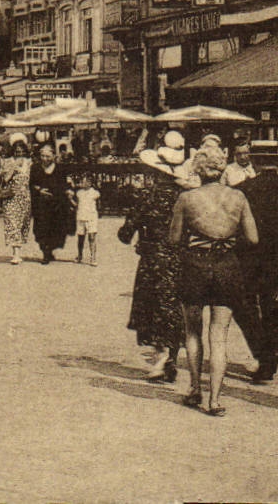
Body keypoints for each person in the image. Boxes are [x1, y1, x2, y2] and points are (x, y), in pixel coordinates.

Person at [167, 151, 258, 416]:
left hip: (194, 265)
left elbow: (173, 239)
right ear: (222, 169)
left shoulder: (186, 198)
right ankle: (215, 399)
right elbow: (253, 238)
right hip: (227, 266)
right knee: (219, 336)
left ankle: (195, 389)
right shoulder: (238, 197)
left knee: (193, 331)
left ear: (198, 169)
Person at [233, 146, 278, 383]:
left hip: (249, 257)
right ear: (277, 160)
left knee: (246, 307)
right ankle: (273, 353)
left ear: (253, 161)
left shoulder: (243, 190)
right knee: (276, 309)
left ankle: (263, 354)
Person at [122, 149, 189, 382]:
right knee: (175, 306)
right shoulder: (186, 195)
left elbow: (125, 233)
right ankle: (172, 354)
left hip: (152, 259)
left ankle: (160, 358)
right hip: (180, 259)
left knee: (153, 307)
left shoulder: (146, 196)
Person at [29, 145, 74, 264]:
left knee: (56, 229)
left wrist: (69, 190)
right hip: (41, 204)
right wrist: (39, 190)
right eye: (42, 156)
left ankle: (50, 249)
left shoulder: (60, 169)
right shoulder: (35, 168)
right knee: (41, 228)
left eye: (48, 156)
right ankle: (45, 252)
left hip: (57, 203)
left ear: (54, 156)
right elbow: (31, 184)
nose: (45, 159)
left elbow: (66, 183)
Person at [0, 135, 33, 265]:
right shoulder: (7, 162)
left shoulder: (30, 163)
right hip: (11, 196)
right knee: (12, 222)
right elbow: (4, 179)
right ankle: (16, 254)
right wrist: (13, 167)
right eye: (17, 152)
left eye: (22, 152)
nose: (20, 155)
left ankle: (18, 251)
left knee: (22, 224)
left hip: (25, 197)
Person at [73, 175, 101, 266]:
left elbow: (99, 205)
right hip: (81, 217)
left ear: (89, 183)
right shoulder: (79, 193)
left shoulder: (95, 193)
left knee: (92, 238)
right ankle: (80, 256)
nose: (82, 183)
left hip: (91, 218)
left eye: (84, 182)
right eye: (82, 181)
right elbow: (76, 204)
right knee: (80, 238)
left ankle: (93, 258)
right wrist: (70, 199)